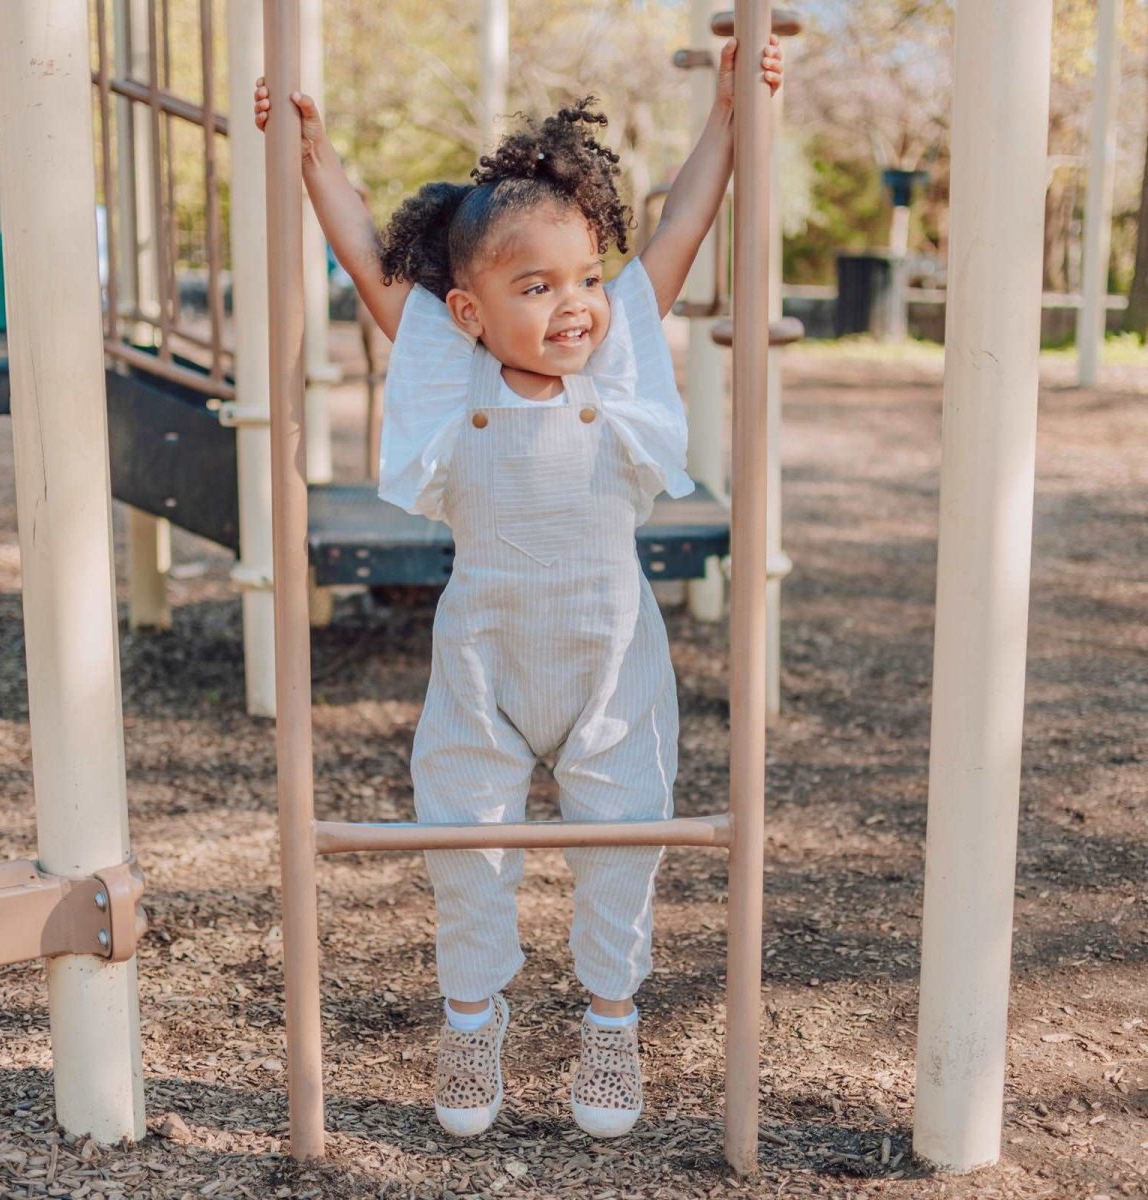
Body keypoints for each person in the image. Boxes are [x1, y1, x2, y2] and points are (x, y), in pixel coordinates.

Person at [254, 34, 782, 1140]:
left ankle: (608, 1020)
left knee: (624, 835)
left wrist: (731, 116)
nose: (576, 305)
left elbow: (680, 226)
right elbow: (366, 261)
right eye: (535, 287)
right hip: (484, 659)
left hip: (611, 661)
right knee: (467, 839)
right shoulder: (453, 377)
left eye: (587, 278)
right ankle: (472, 1017)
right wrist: (312, 157)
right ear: (470, 312)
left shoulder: (620, 364)